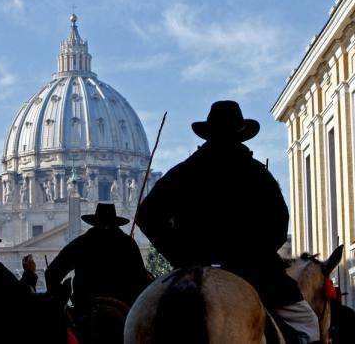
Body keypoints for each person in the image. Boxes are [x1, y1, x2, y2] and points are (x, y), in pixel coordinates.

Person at [135, 100, 320, 343]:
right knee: (308, 323)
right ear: (240, 134)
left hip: (193, 267)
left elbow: (146, 215)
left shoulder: (183, 172)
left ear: (208, 133)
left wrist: (181, 256)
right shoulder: (257, 174)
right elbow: (278, 227)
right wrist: (254, 254)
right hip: (255, 272)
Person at [45, 203, 152, 309]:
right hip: (122, 308)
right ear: (115, 223)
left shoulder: (82, 243)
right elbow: (141, 279)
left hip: (85, 309)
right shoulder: (128, 243)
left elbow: (51, 273)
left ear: (95, 222)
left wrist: (61, 299)